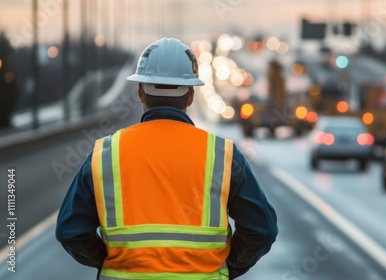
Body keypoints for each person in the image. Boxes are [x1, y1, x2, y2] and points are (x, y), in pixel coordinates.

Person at [56, 38, 278, 280]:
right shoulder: (222, 154)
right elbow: (262, 230)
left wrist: (108, 261)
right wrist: (230, 267)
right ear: (191, 95)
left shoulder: (105, 153)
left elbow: (71, 231)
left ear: (140, 92)